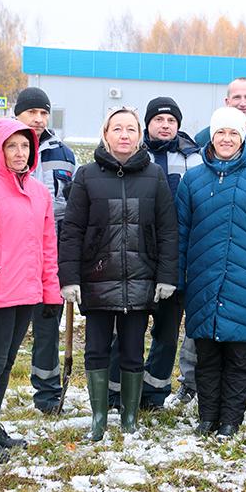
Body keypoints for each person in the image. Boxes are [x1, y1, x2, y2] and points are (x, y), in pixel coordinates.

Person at [58, 106, 178, 441]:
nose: (124, 135)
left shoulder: (154, 176)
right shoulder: (86, 176)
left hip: (140, 280)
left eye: (130, 129)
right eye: (117, 129)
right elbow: (72, 231)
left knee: (132, 350)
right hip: (97, 280)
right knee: (96, 349)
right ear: (105, 134)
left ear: (139, 136)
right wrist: (69, 278)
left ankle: (129, 417)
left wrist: (166, 275)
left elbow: (168, 230)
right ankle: (98, 419)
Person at [0, 87, 77, 414]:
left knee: (45, 331)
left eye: (44, 113)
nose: (38, 119)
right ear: (18, 116)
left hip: (43, 262)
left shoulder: (64, 155)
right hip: (3, 268)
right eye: (32, 113)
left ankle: (47, 394)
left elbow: (68, 208)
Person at [0, 118, 62, 463]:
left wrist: (51, 292)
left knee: (6, 364)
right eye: (12, 146)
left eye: (25, 146)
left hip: (27, 292)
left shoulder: (39, 193)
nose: (20, 153)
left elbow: (47, 246)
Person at [177, 107, 246, 438]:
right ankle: (208, 417)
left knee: (238, 357)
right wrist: (178, 279)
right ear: (212, 137)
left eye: (233, 133)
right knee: (207, 356)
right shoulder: (192, 180)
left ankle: (230, 421)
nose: (226, 139)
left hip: (244, 283)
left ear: (242, 139)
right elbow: (181, 233)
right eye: (221, 132)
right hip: (203, 282)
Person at [106, 97, 201, 411]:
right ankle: (116, 392)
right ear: (146, 125)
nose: (165, 125)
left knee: (167, 331)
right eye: (158, 120)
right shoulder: (132, 154)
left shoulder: (193, 157)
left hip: (176, 256)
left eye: (171, 121)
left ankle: (154, 393)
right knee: (126, 328)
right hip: (135, 256)